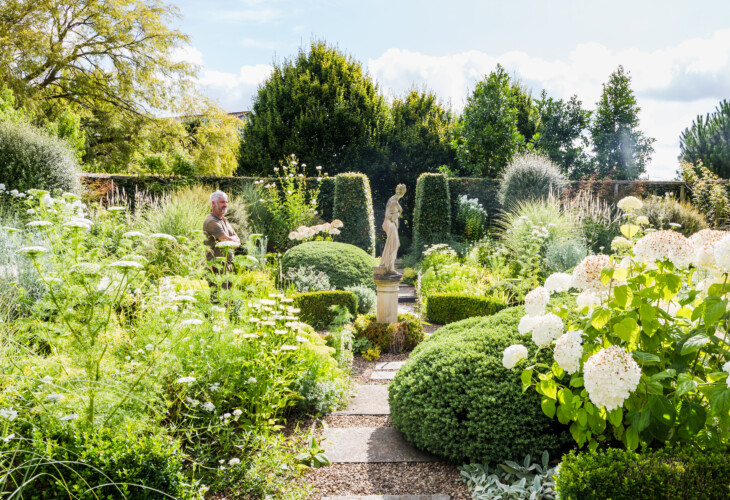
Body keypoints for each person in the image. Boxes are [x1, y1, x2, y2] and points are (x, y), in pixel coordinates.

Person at [203, 190, 240, 278]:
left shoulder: (224, 220)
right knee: (219, 291)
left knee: (228, 291)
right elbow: (226, 241)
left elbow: (237, 239)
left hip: (227, 264)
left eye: (226, 202)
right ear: (213, 203)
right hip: (217, 266)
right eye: (222, 202)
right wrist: (234, 240)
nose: (225, 205)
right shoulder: (211, 221)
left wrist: (234, 240)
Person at [379, 184, 406, 274]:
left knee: (392, 244)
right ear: (403, 192)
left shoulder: (394, 200)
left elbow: (399, 210)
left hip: (391, 223)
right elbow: (388, 215)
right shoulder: (393, 201)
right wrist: (396, 215)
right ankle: (389, 268)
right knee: (394, 244)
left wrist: (398, 212)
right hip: (390, 224)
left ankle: (386, 264)